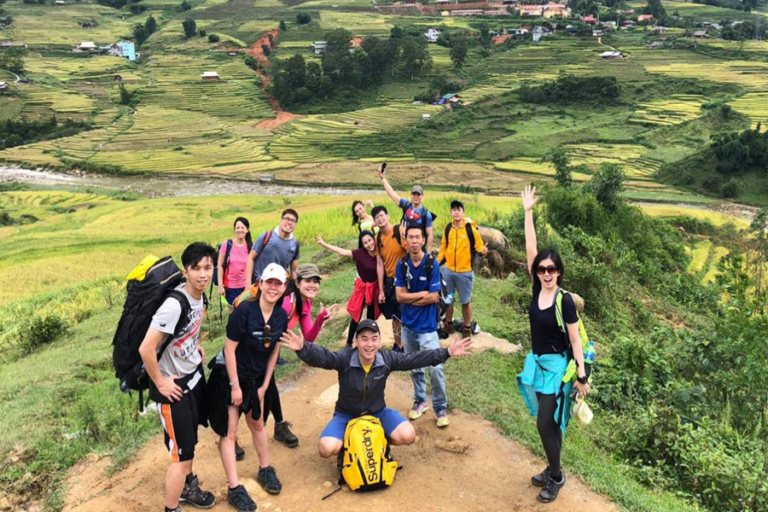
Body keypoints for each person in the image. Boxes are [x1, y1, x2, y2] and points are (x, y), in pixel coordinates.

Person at [279, 319, 474, 460]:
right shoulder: (345, 358)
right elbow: (324, 357)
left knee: (408, 436)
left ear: (380, 342)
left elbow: (415, 359)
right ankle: (352, 451)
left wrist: (446, 352)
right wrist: (302, 348)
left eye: (374, 339)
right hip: (347, 415)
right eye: (364, 339)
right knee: (326, 449)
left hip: (376, 413)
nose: (369, 344)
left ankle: (377, 443)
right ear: (356, 342)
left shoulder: (387, 359)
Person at [519, 185, 589, 504]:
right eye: (542, 269)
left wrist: (582, 376)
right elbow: (531, 249)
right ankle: (552, 466)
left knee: (545, 420)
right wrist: (528, 211)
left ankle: (557, 475)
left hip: (558, 367)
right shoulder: (537, 290)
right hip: (538, 362)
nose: (546, 273)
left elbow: (574, 338)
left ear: (559, 272)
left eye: (551, 269)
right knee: (547, 422)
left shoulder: (564, 301)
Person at [138, 242, 218, 512]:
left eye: (208, 267)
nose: (203, 274)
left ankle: (187, 487)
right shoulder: (174, 303)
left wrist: (193, 348)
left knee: (189, 444)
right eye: (196, 269)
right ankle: (171, 508)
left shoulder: (200, 296)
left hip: (192, 378)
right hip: (173, 388)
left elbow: (185, 331)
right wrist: (160, 382)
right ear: (186, 271)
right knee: (181, 457)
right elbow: (146, 348)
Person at [208, 263, 289, 512]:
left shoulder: (280, 316)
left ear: (284, 288)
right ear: (260, 284)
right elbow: (229, 349)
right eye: (269, 283)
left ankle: (265, 469)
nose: (273, 288)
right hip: (231, 377)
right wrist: (235, 386)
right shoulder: (244, 311)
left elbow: (274, 350)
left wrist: (265, 385)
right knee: (230, 433)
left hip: (255, 380)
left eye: (278, 284)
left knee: (257, 424)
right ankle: (234, 488)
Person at [395, 226, 449, 427]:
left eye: (418, 237)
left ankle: (440, 407)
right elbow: (399, 296)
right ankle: (419, 401)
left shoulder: (431, 264)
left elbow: (434, 297)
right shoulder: (402, 264)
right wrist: (421, 296)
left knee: (436, 368)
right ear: (406, 240)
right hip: (408, 326)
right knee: (414, 367)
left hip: (427, 327)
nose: (415, 241)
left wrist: (409, 299)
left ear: (423, 240)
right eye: (411, 237)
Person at [316, 231, 381, 347]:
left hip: (374, 289)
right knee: (356, 315)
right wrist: (323, 244)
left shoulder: (380, 252)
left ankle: (369, 342)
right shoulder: (360, 253)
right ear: (362, 244)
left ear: (374, 239)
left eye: (370, 240)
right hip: (362, 288)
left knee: (371, 316)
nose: (369, 244)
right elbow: (341, 251)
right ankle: (349, 343)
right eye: (365, 243)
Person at [436, 200, 487, 338]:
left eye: (459, 209)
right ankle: (449, 324)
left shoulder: (470, 229)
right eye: (453, 209)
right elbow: (443, 249)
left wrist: (483, 251)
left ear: (463, 212)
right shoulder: (448, 229)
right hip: (448, 271)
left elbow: (479, 247)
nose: (456, 211)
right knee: (447, 300)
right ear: (451, 213)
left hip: (465, 272)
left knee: (465, 301)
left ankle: (467, 328)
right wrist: (436, 263)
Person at [372, 205, 406, 352]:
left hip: (406, 279)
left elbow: (411, 250)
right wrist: (381, 289)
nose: (380, 219)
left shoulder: (399, 231)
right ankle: (398, 345)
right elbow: (380, 264)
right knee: (395, 315)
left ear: (388, 216)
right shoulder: (378, 238)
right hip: (391, 281)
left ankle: (410, 345)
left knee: (408, 312)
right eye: (377, 217)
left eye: (382, 215)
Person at [378, 164, 434, 253]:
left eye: (418, 194)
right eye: (414, 194)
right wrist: (383, 178)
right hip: (404, 244)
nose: (416, 196)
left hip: (418, 246)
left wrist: (429, 254)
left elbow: (430, 234)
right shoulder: (406, 205)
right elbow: (391, 193)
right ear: (411, 195)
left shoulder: (426, 214)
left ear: (422, 196)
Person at [245, 209, 300, 287]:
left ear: (295, 224)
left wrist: (296, 287)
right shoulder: (267, 236)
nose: (289, 222)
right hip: (258, 283)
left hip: (278, 287)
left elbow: (294, 270)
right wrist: (247, 284)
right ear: (281, 221)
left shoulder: (295, 244)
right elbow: (250, 258)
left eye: (293, 220)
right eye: (287, 218)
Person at [281, 263, 331, 344]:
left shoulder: (306, 302)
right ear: (297, 283)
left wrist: (320, 319)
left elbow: (309, 338)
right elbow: (270, 333)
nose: (312, 285)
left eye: (315, 281)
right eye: (307, 281)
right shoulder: (286, 304)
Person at [218, 217, 253, 308]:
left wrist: (248, 285)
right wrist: (220, 286)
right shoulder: (227, 244)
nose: (239, 230)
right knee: (233, 312)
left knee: (245, 312)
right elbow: (220, 265)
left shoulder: (251, 247)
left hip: (245, 287)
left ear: (247, 230)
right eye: (237, 228)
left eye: (242, 228)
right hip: (230, 287)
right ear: (234, 229)